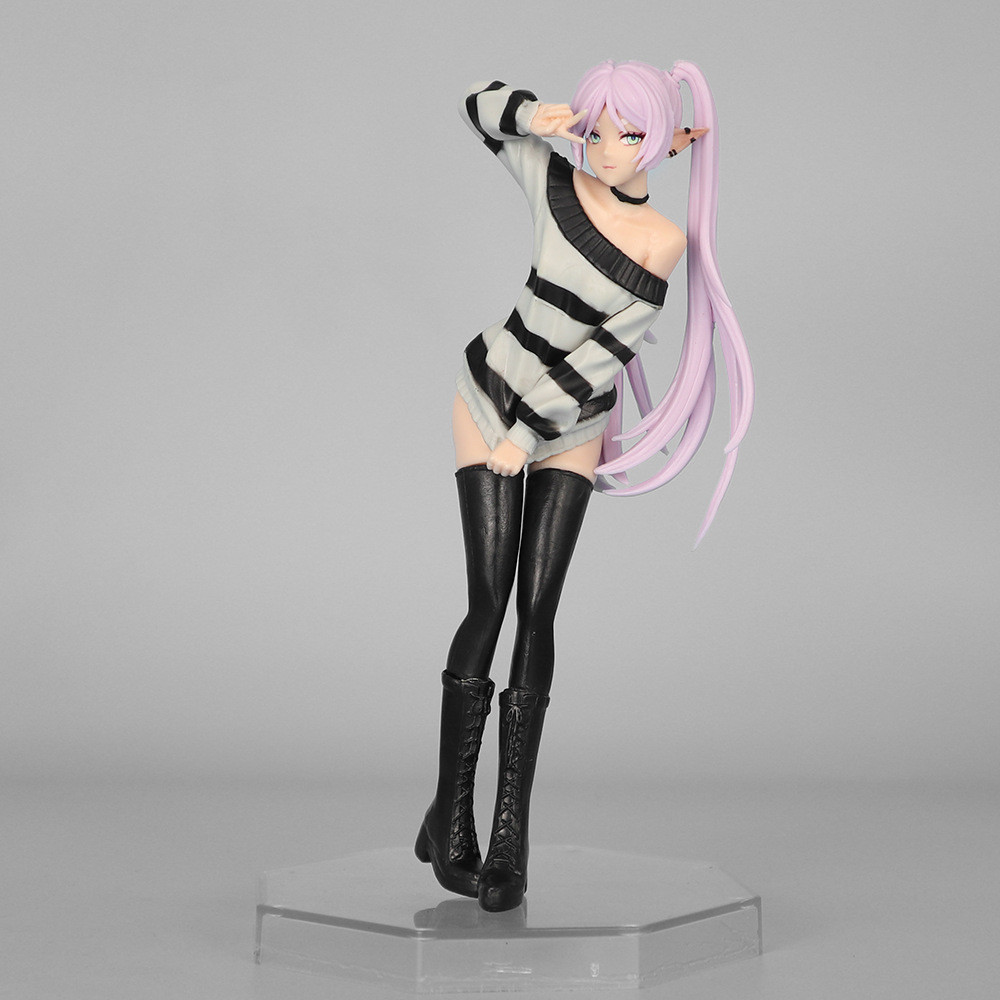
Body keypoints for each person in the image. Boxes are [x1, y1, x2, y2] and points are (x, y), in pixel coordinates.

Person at [415, 60, 753, 913]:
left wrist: (528, 439)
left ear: (670, 140)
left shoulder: (662, 241)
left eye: (628, 134)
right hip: (492, 392)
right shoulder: (557, 180)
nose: (606, 149)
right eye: (598, 130)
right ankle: (450, 817)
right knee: (487, 601)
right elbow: (476, 107)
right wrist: (534, 114)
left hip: (568, 422)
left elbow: (601, 355)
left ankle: (510, 836)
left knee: (538, 612)